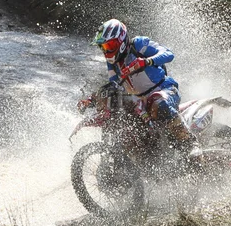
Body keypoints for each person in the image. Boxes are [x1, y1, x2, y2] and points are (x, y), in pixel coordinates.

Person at [78, 19, 202, 161]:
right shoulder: (112, 63)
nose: (106, 51)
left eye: (109, 45)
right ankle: (136, 161)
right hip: (139, 100)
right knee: (119, 114)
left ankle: (190, 143)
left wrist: (147, 61)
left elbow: (168, 54)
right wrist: (92, 99)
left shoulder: (138, 44)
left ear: (121, 40)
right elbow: (113, 84)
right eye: (103, 47)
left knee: (158, 103)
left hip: (165, 89)